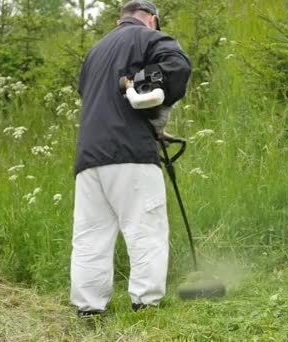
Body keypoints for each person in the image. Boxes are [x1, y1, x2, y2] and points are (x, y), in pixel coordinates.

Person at [71, 0, 191, 316]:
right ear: (151, 20)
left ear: (119, 19)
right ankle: (146, 304)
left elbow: (97, 96)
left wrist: (151, 123)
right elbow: (178, 67)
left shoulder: (94, 53)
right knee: (146, 228)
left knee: (90, 236)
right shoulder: (148, 38)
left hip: (88, 159)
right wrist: (143, 86)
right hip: (130, 155)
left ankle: (89, 309)